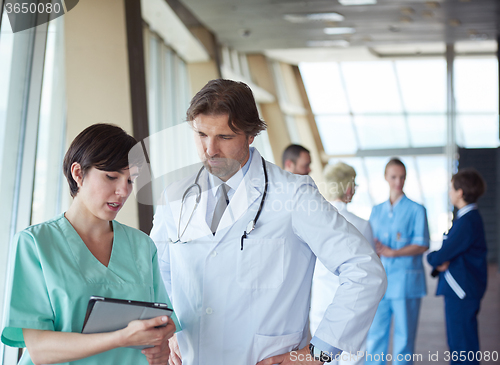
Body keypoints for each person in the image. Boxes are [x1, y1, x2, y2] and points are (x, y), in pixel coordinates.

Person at [150, 79, 387, 365]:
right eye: (201, 134)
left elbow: (364, 270)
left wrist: (315, 354)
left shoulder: (293, 195)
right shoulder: (175, 196)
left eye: (224, 137)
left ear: (250, 135)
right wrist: (168, 327)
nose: (210, 150)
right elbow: (158, 271)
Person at [1, 124, 178, 365]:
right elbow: (39, 349)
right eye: (112, 176)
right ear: (78, 173)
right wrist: (120, 338)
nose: (123, 191)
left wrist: (162, 344)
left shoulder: (142, 246)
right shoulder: (35, 244)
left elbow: (164, 322)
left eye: (130, 180)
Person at [366, 158, 429, 365]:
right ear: (386, 177)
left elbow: (422, 244)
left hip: (406, 283)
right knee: (375, 334)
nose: (398, 182)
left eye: (402, 177)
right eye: (394, 177)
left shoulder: (417, 209)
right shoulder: (376, 210)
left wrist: (394, 253)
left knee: (404, 337)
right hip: (381, 283)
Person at [310, 162, 374, 365]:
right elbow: (371, 271)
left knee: (321, 360)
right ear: (348, 187)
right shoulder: (362, 225)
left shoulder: (313, 221)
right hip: (352, 308)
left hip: (321, 304)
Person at [427, 169, 487, 365]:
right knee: (460, 344)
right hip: (462, 290)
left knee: (461, 346)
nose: (450, 193)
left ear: (460, 192)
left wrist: (432, 257)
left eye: (451, 189)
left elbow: (442, 255)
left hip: (461, 291)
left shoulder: (467, 221)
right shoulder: (466, 218)